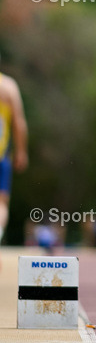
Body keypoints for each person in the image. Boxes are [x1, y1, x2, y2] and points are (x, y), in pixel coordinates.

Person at [0, 71, 28, 244]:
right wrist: (21, 151)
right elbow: (19, 122)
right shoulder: (8, 87)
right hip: (2, 155)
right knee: (1, 203)